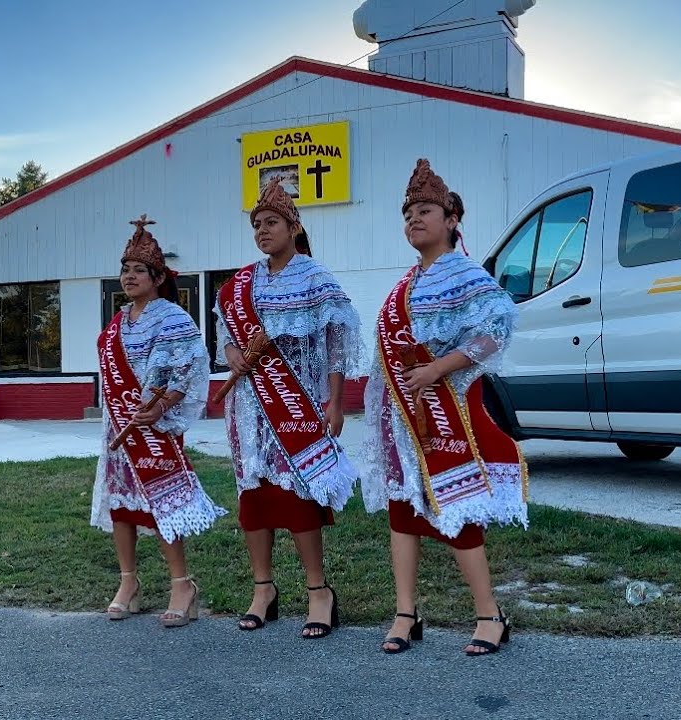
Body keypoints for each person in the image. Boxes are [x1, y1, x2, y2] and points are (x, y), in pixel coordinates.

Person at [360, 159, 528, 656]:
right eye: (408, 212)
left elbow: (497, 330)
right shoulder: (404, 286)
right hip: (406, 418)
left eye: (426, 210)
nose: (414, 218)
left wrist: (437, 369)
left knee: (458, 509)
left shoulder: (466, 276)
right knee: (403, 515)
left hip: (452, 411)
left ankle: (489, 614)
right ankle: (405, 613)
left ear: (453, 219)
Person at [214, 178, 367, 639]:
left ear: (293, 226)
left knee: (298, 497)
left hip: (297, 406)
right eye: (257, 224)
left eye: (272, 222)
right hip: (248, 407)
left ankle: (319, 592)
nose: (262, 230)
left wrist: (335, 403)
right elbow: (226, 335)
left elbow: (337, 345)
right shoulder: (242, 284)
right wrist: (231, 353)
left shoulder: (316, 279)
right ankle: (264, 590)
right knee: (255, 497)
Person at [91, 215, 227, 628]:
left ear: (157, 276)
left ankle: (182, 585)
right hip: (119, 424)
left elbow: (190, 366)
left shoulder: (171, 317)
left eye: (138, 271)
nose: (129, 277)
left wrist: (165, 404)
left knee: (162, 502)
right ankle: (128, 583)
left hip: (156, 428)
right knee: (120, 504)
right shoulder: (118, 322)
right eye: (125, 270)